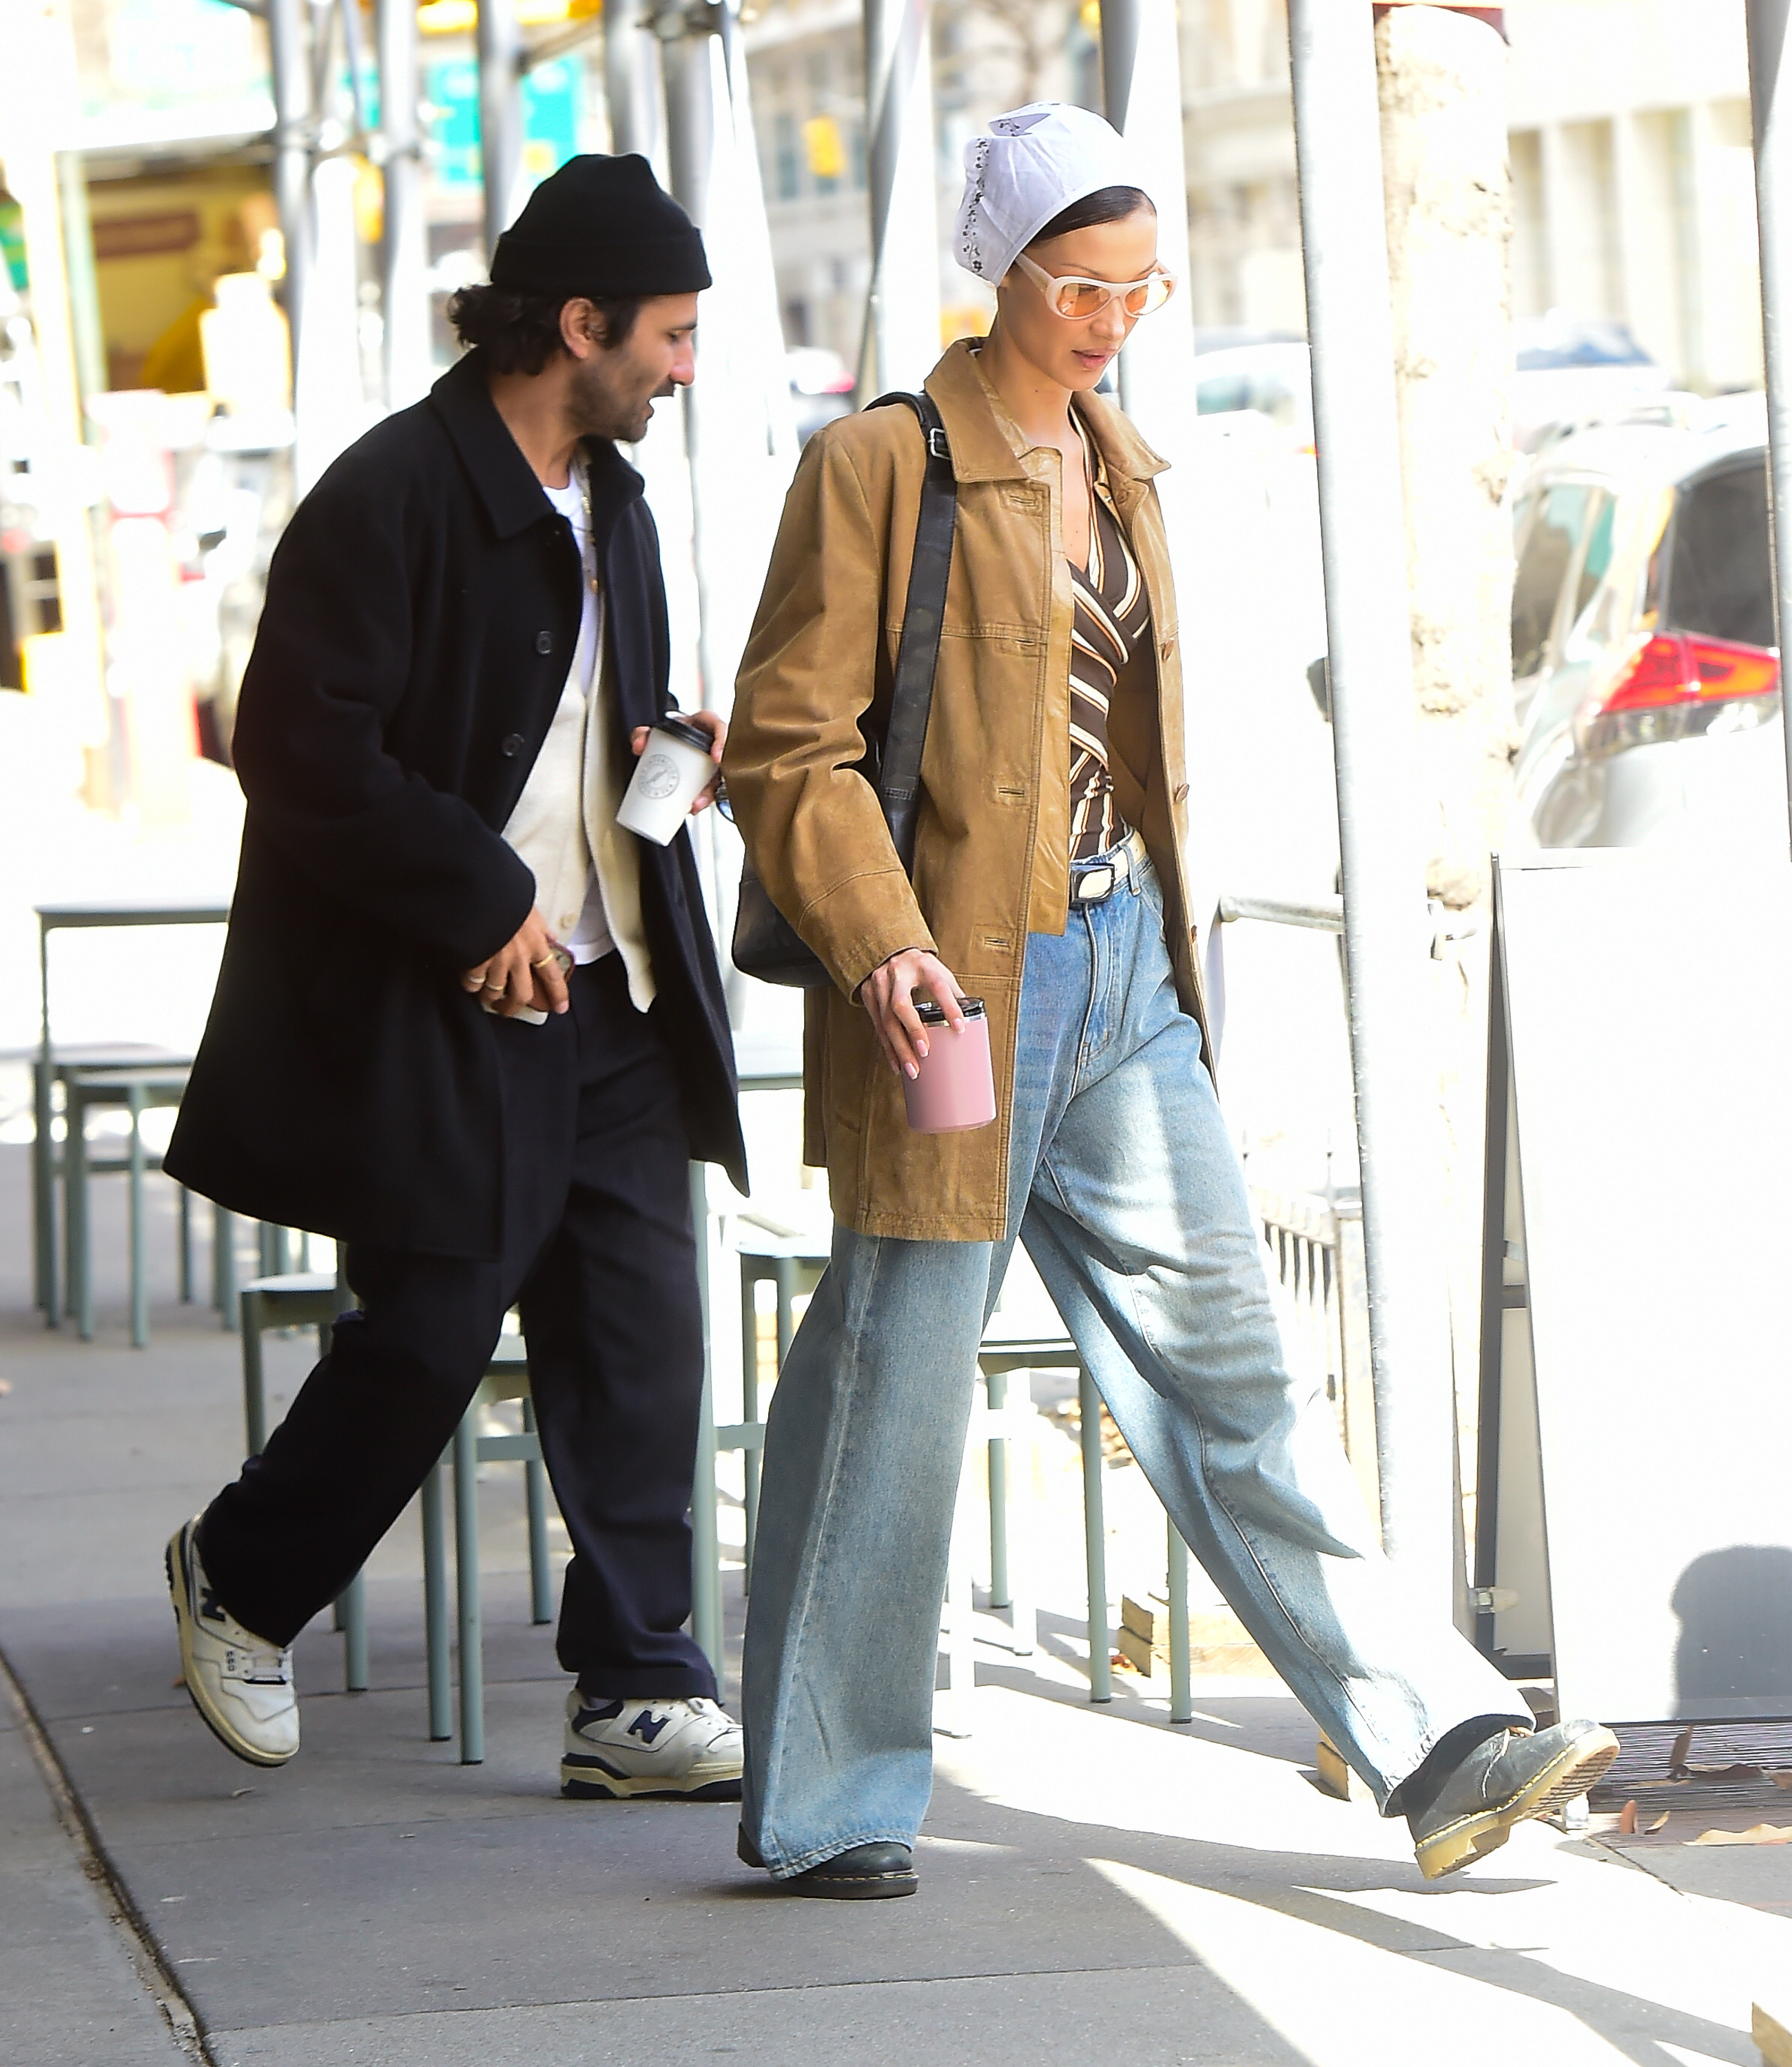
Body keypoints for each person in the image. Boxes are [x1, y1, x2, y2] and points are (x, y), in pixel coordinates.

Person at [721, 103, 1617, 1899]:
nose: (1112, 317)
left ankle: (1433, 1744)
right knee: (894, 1380)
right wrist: (884, 939)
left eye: (1141, 286)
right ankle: (826, 1798)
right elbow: (791, 747)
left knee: (1233, 1369)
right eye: (1082, 285)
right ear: (1005, 276)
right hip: (952, 985)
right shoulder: (880, 466)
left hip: (1122, 967)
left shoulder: (1121, 464)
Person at [162, 154, 750, 1805]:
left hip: (611, 983)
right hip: (451, 997)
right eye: (671, 334)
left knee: (641, 1333)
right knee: (427, 1332)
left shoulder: (609, 504)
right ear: (579, 324)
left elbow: (564, 716)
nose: (684, 366)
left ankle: (638, 1685)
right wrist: (477, 898)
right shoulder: (392, 493)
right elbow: (294, 744)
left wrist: (661, 753)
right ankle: (243, 1577)